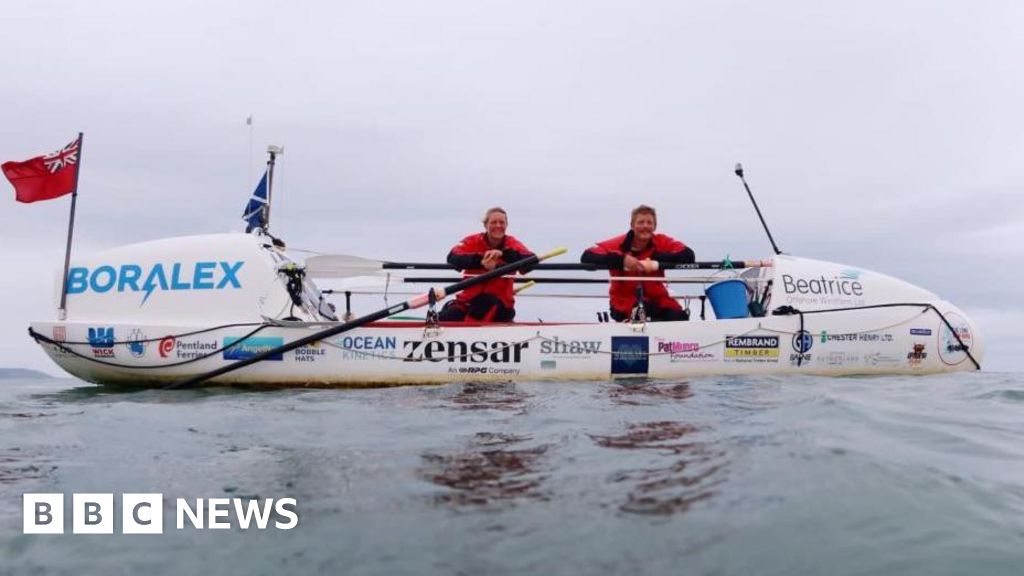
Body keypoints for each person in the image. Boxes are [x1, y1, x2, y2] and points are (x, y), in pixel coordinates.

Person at [581, 204, 695, 322]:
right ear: (632, 225)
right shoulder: (617, 244)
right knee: (645, 313)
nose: (645, 226)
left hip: (658, 299)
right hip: (624, 302)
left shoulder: (661, 242)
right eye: (641, 222)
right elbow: (587, 256)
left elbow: (688, 255)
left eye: (649, 223)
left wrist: (656, 260)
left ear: (655, 226)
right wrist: (622, 260)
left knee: (679, 317)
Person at [438, 207, 534, 322]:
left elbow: (531, 261)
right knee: (444, 318)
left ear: (506, 225)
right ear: (485, 225)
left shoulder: (512, 244)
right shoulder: (472, 241)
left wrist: (503, 255)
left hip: (500, 306)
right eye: (493, 222)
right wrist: (481, 262)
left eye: (501, 222)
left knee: (484, 302)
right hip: (467, 302)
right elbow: (452, 257)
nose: (498, 226)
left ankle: (467, 334)